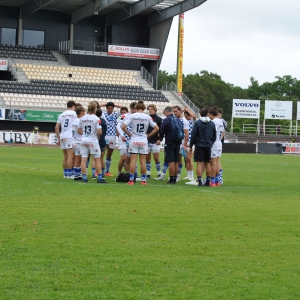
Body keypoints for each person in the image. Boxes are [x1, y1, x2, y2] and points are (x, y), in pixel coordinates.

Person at [122, 100, 159, 185]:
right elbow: (157, 128)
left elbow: (123, 127)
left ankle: (131, 180)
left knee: (133, 161)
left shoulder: (132, 116)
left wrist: (130, 134)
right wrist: (148, 135)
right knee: (143, 161)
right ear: (143, 108)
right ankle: (143, 180)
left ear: (135, 108)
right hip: (143, 140)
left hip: (134, 140)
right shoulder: (147, 117)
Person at [77, 102, 107, 183]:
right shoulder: (96, 118)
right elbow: (100, 131)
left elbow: (78, 130)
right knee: (97, 159)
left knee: (84, 160)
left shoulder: (82, 118)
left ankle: (84, 177)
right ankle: (100, 178)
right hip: (93, 140)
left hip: (83, 140)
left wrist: (84, 135)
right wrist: (97, 136)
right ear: (95, 109)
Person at [189, 107, 216, 187]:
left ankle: (199, 180)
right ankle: (208, 180)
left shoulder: (197, 123)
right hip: (207, 145)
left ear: (200, 114)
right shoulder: (212, 123)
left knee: (199, 164)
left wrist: (191, 145)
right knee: (207, 164)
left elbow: (193, 135)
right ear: (207, 114)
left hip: (199, 145)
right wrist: (210, 143)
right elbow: (214, 136)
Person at [159, 106, 183, 184]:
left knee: (171, 161)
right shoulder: (178, 119)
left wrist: (160, 138)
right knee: (176, 161)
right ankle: (175, 178)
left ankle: (171, 178)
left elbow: (162, 131)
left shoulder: (166, 120)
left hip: (169, 142)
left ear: (167, 112)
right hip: (178, 142)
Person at [55, 100, 77, 179]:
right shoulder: (74, 114)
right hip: (70, 136)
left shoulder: (61, 115)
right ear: (73, 106)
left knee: (65, 156)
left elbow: (56, 127)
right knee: (70, 155)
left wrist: (58, 137)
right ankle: (70, 174)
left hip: (62, 135)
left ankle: (65, 174)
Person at [100, 101, 123, 177]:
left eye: (111, 108)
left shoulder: (115, 114)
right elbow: (97, 106)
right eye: (108, 108)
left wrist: (114, 105)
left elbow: (123, 108)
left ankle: (107, 171)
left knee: (109, 154)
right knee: (102, 154)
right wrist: (105, 104)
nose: (110, 109)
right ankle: (100, 170)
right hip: (105, 135)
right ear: (106, 108)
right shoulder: (103, 114)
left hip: (113, 136)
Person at [208, 106, 225, 187]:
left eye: (209, 115)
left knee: (213, 163)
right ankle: (217, 181)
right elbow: (222, 133)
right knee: (217, 162)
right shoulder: (220, 121)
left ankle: (212, 181)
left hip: (214, 143)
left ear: (211, 114)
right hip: (219, 143)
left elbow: (212, 133)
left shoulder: (214, 122)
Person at [146, 104, 163, 179]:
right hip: (147, 141)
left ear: (155, 110)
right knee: (147, 157)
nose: (150, 110)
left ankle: (159, 173)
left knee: (156, 158)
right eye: (149, 109)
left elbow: (161, 131)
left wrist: (160, 139)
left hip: (155, 141)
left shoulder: (159, 119)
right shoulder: (146, 118)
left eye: (151, 109)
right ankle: (148, 173)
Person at [172, 106, 189, 181]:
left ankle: (184, 175)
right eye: (174, 112)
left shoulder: (184, 121)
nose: (175, 113)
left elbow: (186, 133)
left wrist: (185, 144)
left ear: (180, 111)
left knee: (183, 159)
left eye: (176, 111)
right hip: (175, 142)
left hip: (182, 142)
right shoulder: (174, 119)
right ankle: (177, 175)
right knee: (177, 159)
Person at [72, 105, 86, 180]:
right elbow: (80, 131)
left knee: (78, 158)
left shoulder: (74, 120)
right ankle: (77, 176)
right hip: (78, 142)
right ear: (81, 112)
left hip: (74, 141)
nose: (84, 114)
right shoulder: (79, 121)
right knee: (78, 159)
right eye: (84, 112)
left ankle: (77, 174)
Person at [183, 107, 196, 180]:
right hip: (185, 141)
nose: (186, 117)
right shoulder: (184, 122)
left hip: (191, 141)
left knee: (189, 158)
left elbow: (194, 116)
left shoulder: (192, 121)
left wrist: (187, 109)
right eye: (185, 116)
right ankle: (188, 174)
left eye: (187, 116)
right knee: (186, 159)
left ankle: (192, 175)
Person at [96, 108, 108, 182]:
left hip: (95, 140)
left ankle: (95, 174)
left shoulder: (94, 120)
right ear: (101, 114)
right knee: (101, 158)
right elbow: (105, 130)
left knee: (95, 159)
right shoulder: (103, 121)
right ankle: (103, 173)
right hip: (102, 140)